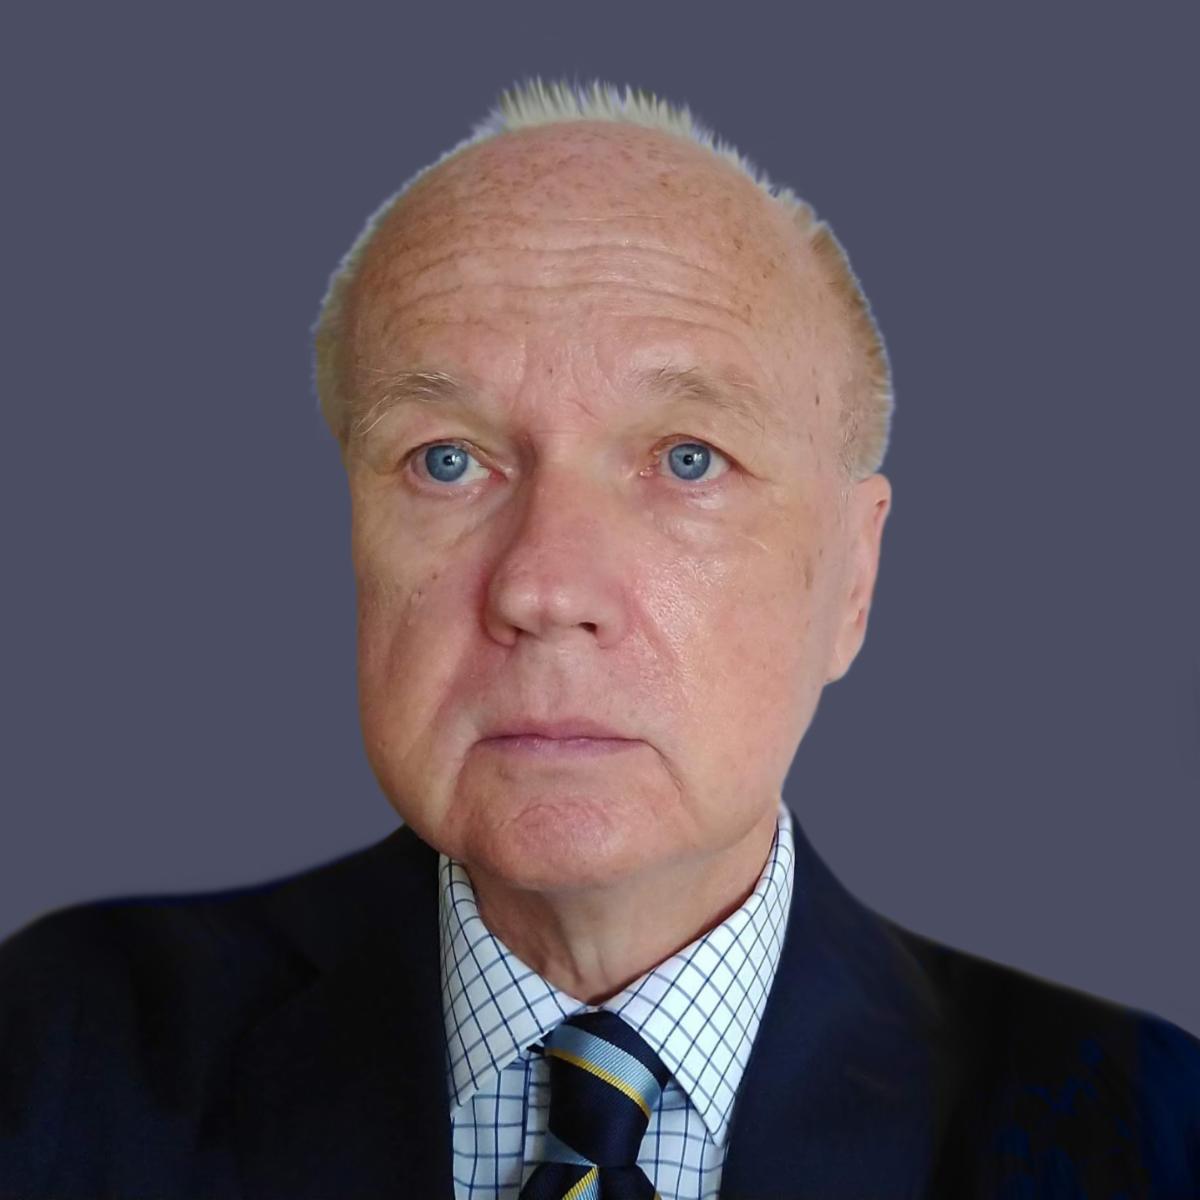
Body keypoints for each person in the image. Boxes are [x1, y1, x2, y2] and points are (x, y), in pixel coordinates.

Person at [1, 78, 1196, 1200]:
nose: (542, 585)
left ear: (854, 579)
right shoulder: (57, 1046)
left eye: (689, 459)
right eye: (447, 461)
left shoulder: (1142, 1127)